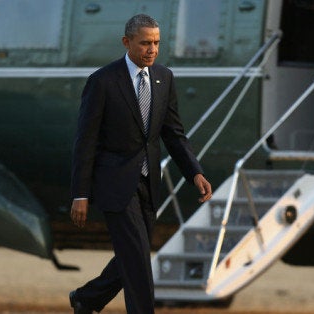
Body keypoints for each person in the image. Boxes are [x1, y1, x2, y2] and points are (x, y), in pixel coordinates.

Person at [69, 14, 213, 314]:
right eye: (145, 43)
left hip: (149, 183)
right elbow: (86, 142)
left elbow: (173, 133)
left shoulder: (164, 78)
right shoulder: (103, 81)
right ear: (127, 42)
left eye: (157, 43)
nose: (152, 49)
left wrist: (194, 172)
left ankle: (87, 298)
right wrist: (80, 194)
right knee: (136, 259)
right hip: (115, 185)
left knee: (131, 255)